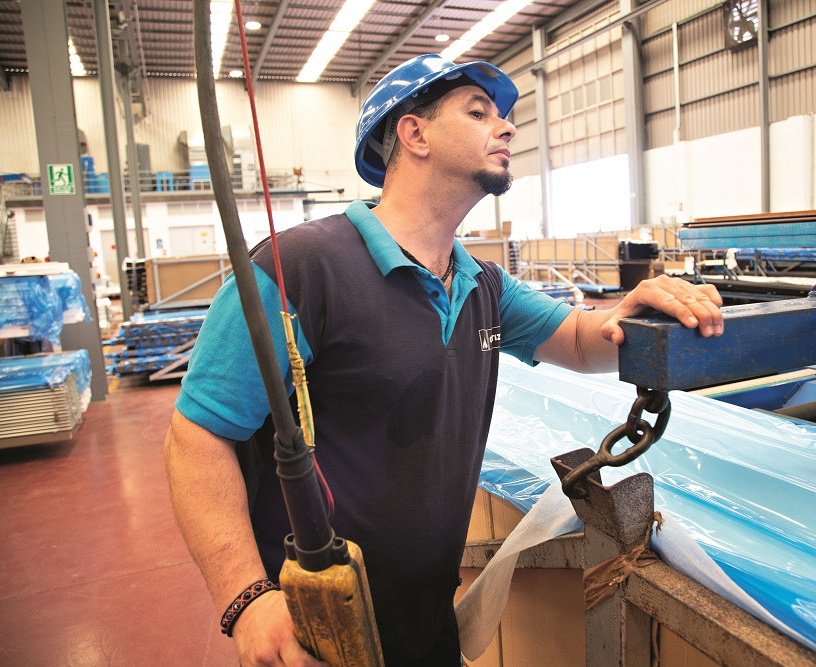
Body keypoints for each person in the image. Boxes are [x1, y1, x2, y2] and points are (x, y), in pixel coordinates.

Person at [164, 53, 723, 667]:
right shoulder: (299, 269)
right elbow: (197, 437)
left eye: (505, 117)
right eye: (479, 111)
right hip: (314, 631)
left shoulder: (482, 284)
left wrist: (637, 308)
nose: (507, 128)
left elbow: (584, 341)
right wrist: (247, 599)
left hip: (427, 623)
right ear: (415, 133)